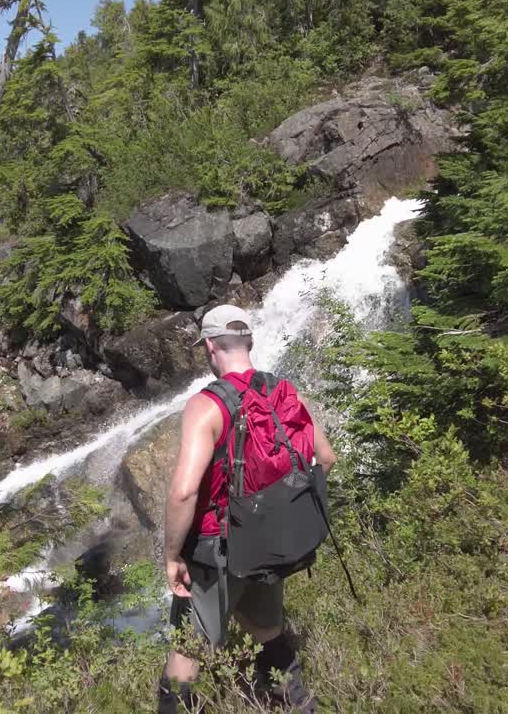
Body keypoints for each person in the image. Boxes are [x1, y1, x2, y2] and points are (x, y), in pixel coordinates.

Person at [157, 304, 336, 714]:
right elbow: (325, 459)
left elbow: (184, 493)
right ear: (250, 341)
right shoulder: (286, 392)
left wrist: (171, 555)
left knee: (188, 648)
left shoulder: (206, 406)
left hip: (215, 549)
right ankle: (296, 705)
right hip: (269, 540)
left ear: (209, 347)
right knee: (267, 631)